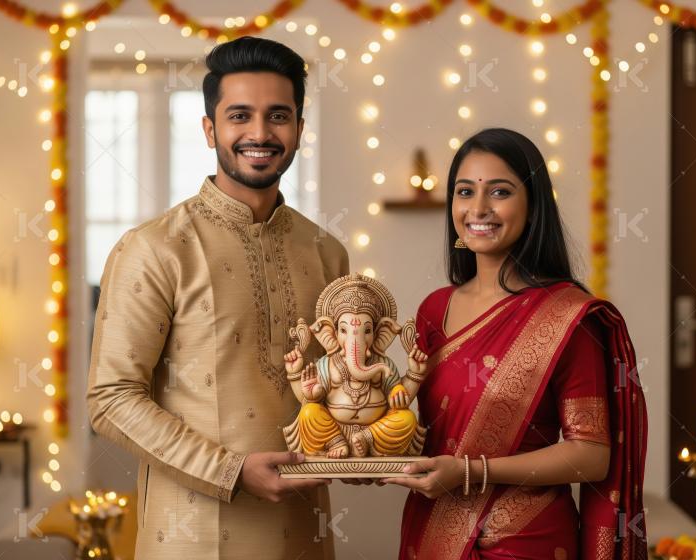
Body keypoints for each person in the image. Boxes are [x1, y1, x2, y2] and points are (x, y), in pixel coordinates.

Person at [86, 36, 348, 559]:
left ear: (299, 128)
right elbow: (111, 399)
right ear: (210, 130)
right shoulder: (156, 248)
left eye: (278, 116)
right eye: (239, 116)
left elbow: (332, 391)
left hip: (303, 532)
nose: (259, 133)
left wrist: (359, 450)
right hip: (192, 533)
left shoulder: (326, 252)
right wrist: (229, 470)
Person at [384, 128, 647, 559]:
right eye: (464, 191)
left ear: (533, 205)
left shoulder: (568, 317)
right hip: (432, 531)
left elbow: (591, 455)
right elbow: (435, 429)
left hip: (524, 540)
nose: (478, 208)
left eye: (500, 192)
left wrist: (469, 472)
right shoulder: (434, 310)